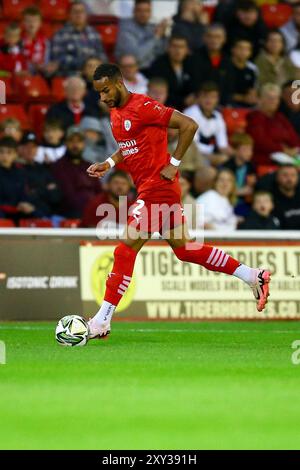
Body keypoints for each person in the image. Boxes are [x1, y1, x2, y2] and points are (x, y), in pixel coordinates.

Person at [86, 63, 271, 339]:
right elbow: (130, 144)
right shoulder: (116, 114)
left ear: (119, 82)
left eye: (105, 90)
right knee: (185, 249)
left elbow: (189, 125)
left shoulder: (144, 105)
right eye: (99, 93)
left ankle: (102, 320)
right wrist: (110, 162)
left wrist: (174, 162)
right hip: (151, 189)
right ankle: (252, 275)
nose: (102, 97)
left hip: (159, 188)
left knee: (125, 250)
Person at [51, 126, 101, 218]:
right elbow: (67, 196)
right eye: (71, 141)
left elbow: (98, 192)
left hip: (92, 214)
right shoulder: (57, 167)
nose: (75, 145)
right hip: (68, 216)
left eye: (79, 141)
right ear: (65, 143)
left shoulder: (90, 166)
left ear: (84, 144)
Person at [48, 0, 107, 77]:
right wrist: (85, 64)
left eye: (82, 11)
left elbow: (102, 55)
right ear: (69, 15)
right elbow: (59, 59)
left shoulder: (94, 33)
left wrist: (96, 63)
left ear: (86, 14)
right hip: (73, 75)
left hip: (94, 74)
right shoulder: (61, 34)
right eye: (75, 12)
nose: (79, 14)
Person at [247, 83, 300, 167]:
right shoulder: (255, 117)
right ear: (260, 99)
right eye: (269, 98)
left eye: (276, 98)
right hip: (265, 158)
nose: (273, 101)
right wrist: (283, 149)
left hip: (289, 156)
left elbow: (293, 137)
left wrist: (295, 149)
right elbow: (260, 141)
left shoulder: (280, 118)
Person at [184, 82, 230, 166]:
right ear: (199, 98)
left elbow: (223, 145)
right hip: (190, 154)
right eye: (205, 96)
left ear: (217, 99)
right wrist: (212, 156)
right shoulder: (190, 113)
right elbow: (192, 144)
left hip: (209, 155)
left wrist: (234, 154)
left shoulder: (218, 116)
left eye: (213, 97)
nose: (209, 100)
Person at [115, 0, 169, 70]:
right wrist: (156, 37)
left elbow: (160, 52)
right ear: (133, 12)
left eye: (147, 11)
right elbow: (136, 57)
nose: (143, 14)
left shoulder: (151, 27)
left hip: (153, 68)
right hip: (134, 71)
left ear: (150, 13)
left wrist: (164, 36)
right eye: (139, 11)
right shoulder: (126, 28)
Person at [147, 34, 195, 109]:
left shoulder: (191, 63)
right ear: (168, 48)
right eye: (174, 46)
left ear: (186, 50)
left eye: (181, 47)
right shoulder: (159, 65)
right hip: (164, 107)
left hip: (188, 107)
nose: (178, 50)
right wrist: (183, 101)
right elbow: (158, 91)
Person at [0, 136, 40, 221]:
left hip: (18, 211)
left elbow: (24, 193)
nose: (4, 156)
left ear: (15, 154)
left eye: (9, 152)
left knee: (38, 213)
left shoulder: (20, 172)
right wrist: (14, 207)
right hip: (4, 212)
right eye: (1, 152)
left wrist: (25, 203)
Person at [191, 24, 230, 104]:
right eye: (210, 36)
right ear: (204, 38)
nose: (214, 40)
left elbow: (229, 87)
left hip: (222, 104)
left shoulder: (228, 60)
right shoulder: (194, 58)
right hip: (198, 103)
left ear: (224, 39)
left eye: (218, 37)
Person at [256, 164, 300, 229]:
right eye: (285, 175)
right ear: (277, 177)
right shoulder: (269, 198)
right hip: (279, 236)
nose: (289, 179)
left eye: (293, 175)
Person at [223, 132, 256, 215]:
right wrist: (239, 191)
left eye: (251, 149)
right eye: (245, 149)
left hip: (245, 204)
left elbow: (252, 188)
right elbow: (222, 189)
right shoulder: (226, 167)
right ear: (235, 150)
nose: (249, 153)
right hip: (228, 203)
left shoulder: (251, 167)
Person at [225, 38, 258, 107]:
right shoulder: (225, 68)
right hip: (227, 103)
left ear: (250, 53)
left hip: (246, 104)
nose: (243, 51)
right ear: (233, 49)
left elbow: (252, 89)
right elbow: (223, 92)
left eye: (246, 49)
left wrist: (252, 96)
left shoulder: (251, 70)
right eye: (240, 48)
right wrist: (242, 98)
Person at [21, 6, 49, 75]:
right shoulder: (17, 40)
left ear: (40, 23)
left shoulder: (45, 41)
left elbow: (47, 62)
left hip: (41, 76)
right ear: (23, 22)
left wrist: (43, 67)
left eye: (35, 21)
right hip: (22, 75)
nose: (32, 24)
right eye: (28, 21)